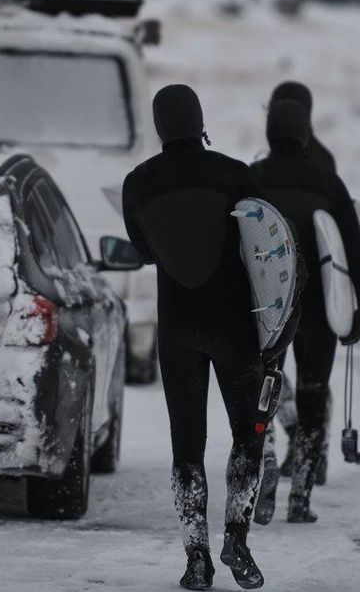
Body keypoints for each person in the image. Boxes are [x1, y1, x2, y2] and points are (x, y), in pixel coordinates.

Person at [122, 84, 280, 590]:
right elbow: (270, 249)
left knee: (187, 445)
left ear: (160, 126)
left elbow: (146, 252)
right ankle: (237, 538)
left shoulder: (137, 184)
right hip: (234, 327)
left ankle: (196, 559)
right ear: (199, 120)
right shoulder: (236, 175)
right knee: (248, 435)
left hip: (178, 330)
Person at [250, 98, 360, 523]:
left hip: (269, 307)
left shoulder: (253, 177)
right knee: (312, 395)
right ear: (306, 133)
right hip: (319, 313)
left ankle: (265, 460)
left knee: (262, 390)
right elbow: (354, 255)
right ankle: (300, 497)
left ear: (270, 132)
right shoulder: (329, 185)